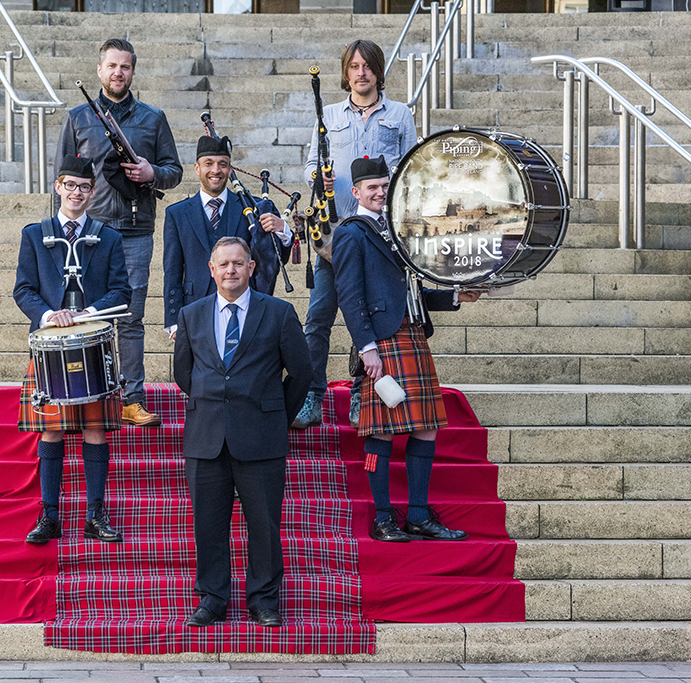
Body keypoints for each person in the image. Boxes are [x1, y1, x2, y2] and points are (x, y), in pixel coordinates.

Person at [333, 156, 480, 543]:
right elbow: (349, 296)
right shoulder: (351, 233)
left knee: (427, 427)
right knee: (380, 432)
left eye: (384, 186)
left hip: (413, 334)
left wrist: (456, 295)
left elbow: (411, 289)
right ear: (357, 192)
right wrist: (367, 350)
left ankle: (417, 515)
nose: (380, 192)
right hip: (382, 340)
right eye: (372, 188)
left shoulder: (403, 228)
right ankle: (383, 517)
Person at [173, 236, 313, 628]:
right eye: (224, 264)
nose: (231, 270)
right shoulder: (191, 314)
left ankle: (264, 600)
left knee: (264, 525)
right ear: (212, 270)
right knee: (208, 524)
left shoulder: (279, 313)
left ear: (252, 268)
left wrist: (274, 415)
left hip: (262, 435)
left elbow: (301, 373)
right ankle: (213, 598)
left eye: (239, 263)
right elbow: (183, 374)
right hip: (206, 437)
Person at [53, 38, 183, 427]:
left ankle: (131, 399)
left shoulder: (152, 118)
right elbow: (60, 179)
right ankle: (84, 396)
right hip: (86, 232)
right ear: (100, 70)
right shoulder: (79, 118)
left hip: (134, 230)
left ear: (132, 71)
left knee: (129, 317)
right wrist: (58, 235)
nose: (118, 72)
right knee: (81, 316)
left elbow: (173, 172)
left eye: (125, 67)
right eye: (111, 66)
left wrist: (151, 173)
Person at [294, 39, 418, 430]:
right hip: (335, 235)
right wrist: (320, 176)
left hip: (382, 236)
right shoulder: (329, 113)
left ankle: (362, 394)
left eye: (367, 66)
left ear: (378, 71)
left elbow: (413, 169)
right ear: (345, 72)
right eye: (354, 66)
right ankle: (312, 395)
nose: (360, 73)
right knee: (318, 316)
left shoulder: (400, 114)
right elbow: (311, 163)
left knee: (370, 316)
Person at [14, 154, 132, 545]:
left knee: (95, 429)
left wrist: (89, 312)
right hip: (49, 346)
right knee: (51, 431)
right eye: (70, 185)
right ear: (57, 187)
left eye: (84, 187)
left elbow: (121, 291)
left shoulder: (109, 237)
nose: (76, 192)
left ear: (92, 191)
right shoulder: (35, 234)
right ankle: (49, 516)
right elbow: (23, 290)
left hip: (93, 344)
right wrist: (50, 315)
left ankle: (95, 515)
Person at [162, 135, 292, 336]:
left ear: (230, 170)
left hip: (243, 310)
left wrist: (283, 230)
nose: (216, 170)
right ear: (197, 168)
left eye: (222, 164)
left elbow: (273, 260)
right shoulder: (176, 214)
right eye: (209, 164)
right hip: (194, 310)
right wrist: (173, 322)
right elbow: (172, 272)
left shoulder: (251, 208)